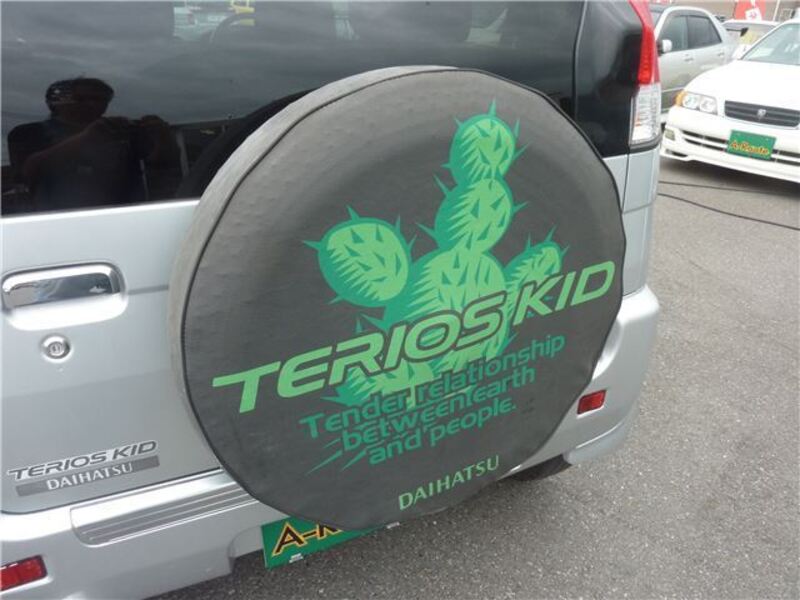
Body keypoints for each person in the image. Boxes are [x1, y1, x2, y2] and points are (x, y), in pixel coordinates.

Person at [8, 77, 178, 212]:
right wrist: (87, 138)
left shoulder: (120, 129)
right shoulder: (29, 132)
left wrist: (162, 135)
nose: (91, 103)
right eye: (81, 99)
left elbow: (163, 164)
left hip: (128, 217)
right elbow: (26, 174)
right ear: (56, 103)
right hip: (54, 222)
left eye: (99, 99)